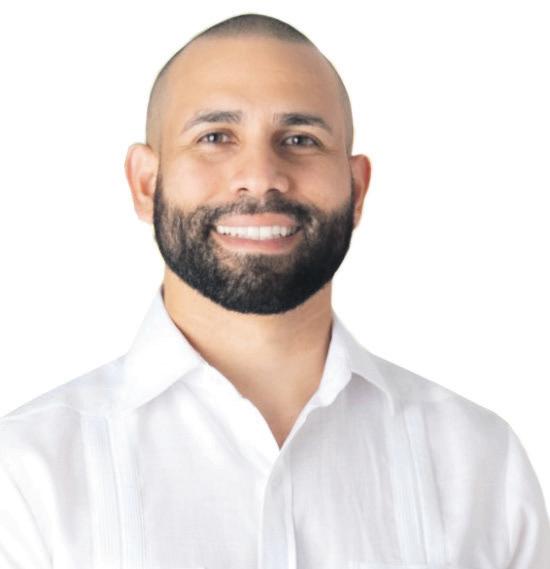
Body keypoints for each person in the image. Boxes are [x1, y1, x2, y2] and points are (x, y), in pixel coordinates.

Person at [1, 12, 549, 569]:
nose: (261, 176)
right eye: (215, 137)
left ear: (356, 189)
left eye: (299, 139)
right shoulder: (25, 476)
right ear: (146, 184)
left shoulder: (483, 467)